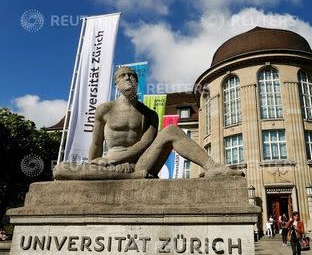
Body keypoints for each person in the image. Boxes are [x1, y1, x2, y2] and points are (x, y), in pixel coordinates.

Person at [54, 66, 242, 180]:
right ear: (116, 85)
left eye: (132, 75)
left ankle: (212, 167)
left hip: (141, 163)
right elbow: (96, 145)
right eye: (123, 76)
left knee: (172, 131)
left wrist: (115, 160)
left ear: (137, 81)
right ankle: (124, 176)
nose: (128, 78)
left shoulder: (149, 114)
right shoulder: (105, 110)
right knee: (61, 169)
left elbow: (144, 144)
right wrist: (98, 163)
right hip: (110, 163)